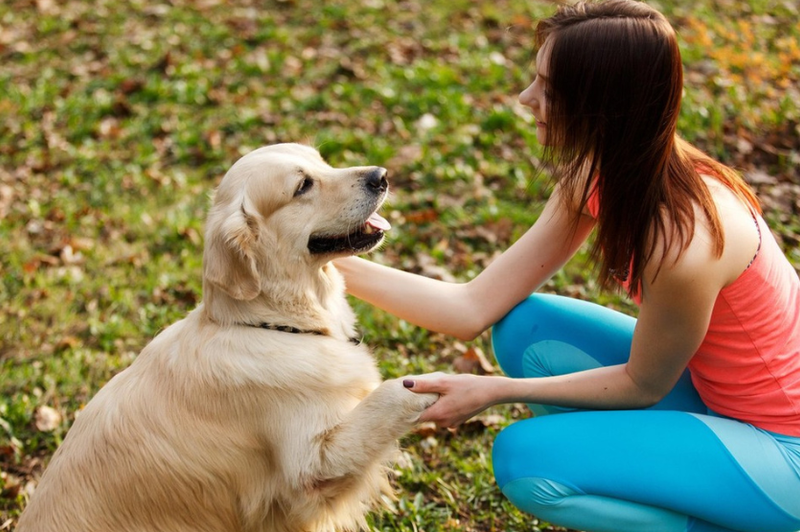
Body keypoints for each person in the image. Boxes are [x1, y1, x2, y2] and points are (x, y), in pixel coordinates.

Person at [334, 1, 800, 531]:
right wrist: (323, 260)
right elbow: (471, 308)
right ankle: (667, 474)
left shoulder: (684, 243)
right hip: (712, 397)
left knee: (526, 462)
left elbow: (642, 385)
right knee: (525, 329)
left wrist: (496, 391)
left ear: (603, 106)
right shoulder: (598, 175)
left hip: (785, 451)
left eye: (549, 90)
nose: (525, 99)